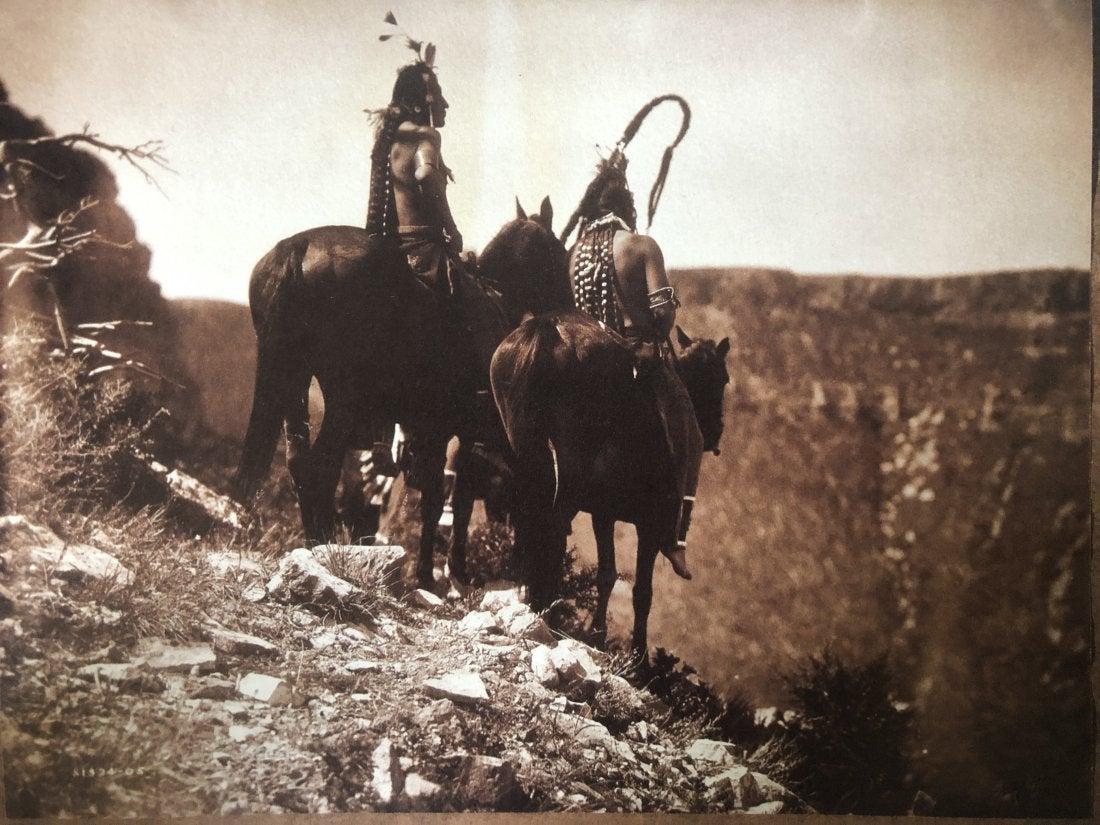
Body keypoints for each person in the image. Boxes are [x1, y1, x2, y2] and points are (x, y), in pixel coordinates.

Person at [565, 155, 699, 576]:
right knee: (691, 434)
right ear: (628, 207)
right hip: (639, 360)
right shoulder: (640, 246)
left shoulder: (576, 253)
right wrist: (665, 311)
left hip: (585, 365)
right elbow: (662, 316)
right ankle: (675, 538)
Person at [362, 59, 469, 476]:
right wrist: (452, 229)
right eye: (438, 94)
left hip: (390, 250)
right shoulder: (426, 135)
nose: (444, 103)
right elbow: (426, 175)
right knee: (464, 326)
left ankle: (381, 432)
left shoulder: (387, 139)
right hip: (425, 252)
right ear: (423, 99)